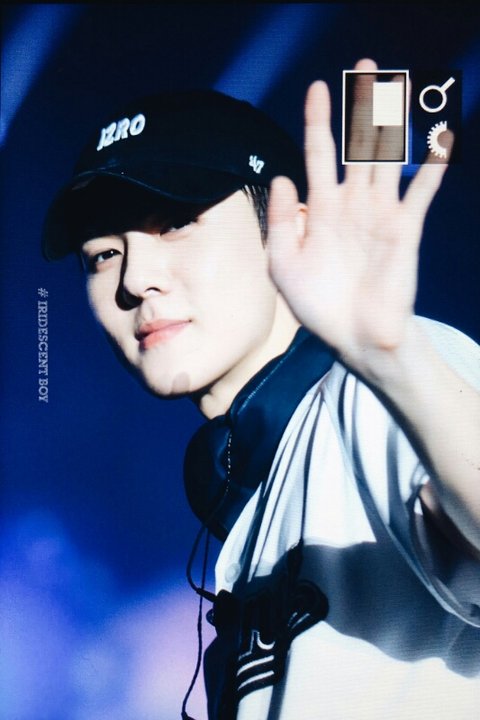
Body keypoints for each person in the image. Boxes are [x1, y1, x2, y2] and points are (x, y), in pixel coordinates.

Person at [43, 58, 479, 719]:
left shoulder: (373, 394)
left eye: (175, 222)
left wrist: (394, 360)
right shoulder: (252, 495)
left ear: (290, 228)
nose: (134, 279)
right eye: (103, 254)